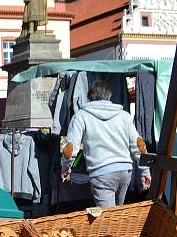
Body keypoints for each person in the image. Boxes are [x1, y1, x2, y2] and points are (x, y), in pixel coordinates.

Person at [61, 80, 150, 208]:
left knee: (109, 221)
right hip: (125, 171)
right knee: (116, 215)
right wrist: (145, 171)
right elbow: (138, 145)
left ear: (90, 96)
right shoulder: (124, 116)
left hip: (101, 173)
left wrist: (65, 167)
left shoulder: (81, 116)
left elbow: (71, 148)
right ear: (109, 95)